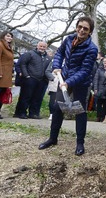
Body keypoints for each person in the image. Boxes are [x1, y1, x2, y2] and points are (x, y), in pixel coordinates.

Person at [38, 16, 99, 156]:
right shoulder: (69, 39)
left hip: (80, 82)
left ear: (90, 32)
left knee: (79, 110)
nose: (82, 30)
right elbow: (59, 53)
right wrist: (57, 66)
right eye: (80, 27)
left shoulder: (91, 48)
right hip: (64, 77)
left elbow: (85, 70)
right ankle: (53, 139)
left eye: (86, 29)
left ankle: (80, 143)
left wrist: (69, 82)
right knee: (57, 107)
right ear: (76, 26)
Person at [14, 41, 51, 119]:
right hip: (30, 78)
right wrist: (26, 75)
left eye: (44, 46)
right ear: (37, 46)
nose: (42, 48)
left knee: (37, 98)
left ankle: (34, 113)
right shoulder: (29, 54)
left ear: (46, 47)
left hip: (41, 80)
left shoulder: (48, 58)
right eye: (40, 46)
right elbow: (22, 64)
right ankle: (21, 112)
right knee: (25, 97)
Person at [93, 57, 106, 123]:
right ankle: (98, 117)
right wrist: (95, 89)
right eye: (104, 62)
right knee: (99, 104)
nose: (105, 63)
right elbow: (96, 79)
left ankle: (104, 117)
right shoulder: (99, 70)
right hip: (100, 89)